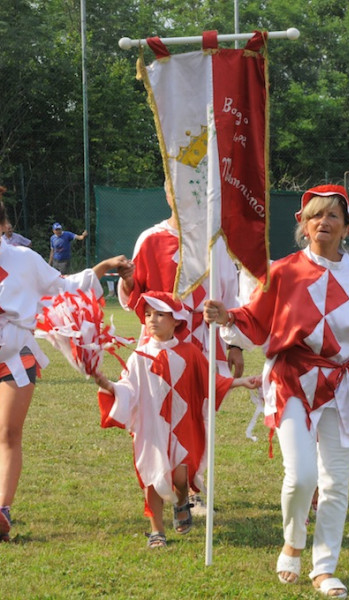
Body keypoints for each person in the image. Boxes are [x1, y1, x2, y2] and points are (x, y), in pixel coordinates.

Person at [203, 184, 349, 598]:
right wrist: (226, 316)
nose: (324, 222)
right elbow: (257, 318)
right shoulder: (282, 270)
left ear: (347, 226)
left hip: (342, 385)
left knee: (335, 483)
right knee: (300, 477)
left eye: (333, 215)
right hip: (291, 381)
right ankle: (292, 543)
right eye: (316, 215)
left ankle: (324, 567)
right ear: (303, 224)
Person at [0, 195, 133, 542]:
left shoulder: (23, 259)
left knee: (8, 433)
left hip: (16, 356)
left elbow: (64, 286)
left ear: (3, 227)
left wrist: (101, 268)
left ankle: (2, 510)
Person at [91, 291, 261, 548]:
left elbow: (209, 381)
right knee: (152, 475)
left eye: (160, 314)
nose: (152, 320)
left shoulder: (189, 352)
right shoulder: (139, 356)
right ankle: (156, 531)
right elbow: (128, 388)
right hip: (151, 429)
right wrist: (109, 385)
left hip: (183, 427)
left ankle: (182, 500)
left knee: (181, 476)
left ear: (176, 321)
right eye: (148, 315)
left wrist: (239, 382)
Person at [118, 180, 243, 516]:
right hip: (160, 353)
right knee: (160, 421)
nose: (186, 198)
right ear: (167, 194)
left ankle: (195, 490)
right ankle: (164, 488)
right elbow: (135, 296)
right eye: (178, 190)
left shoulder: (216, 243)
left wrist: (234, 345)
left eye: (194, 190)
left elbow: (230, 298)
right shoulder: (151, 239)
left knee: (199, 421)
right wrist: (128, 280)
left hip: (203, 348)